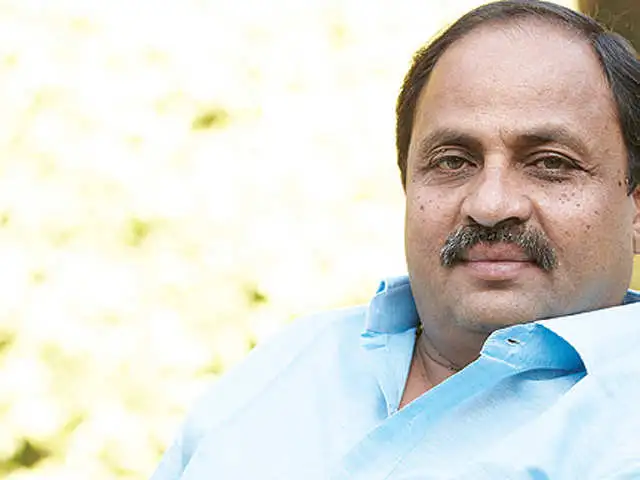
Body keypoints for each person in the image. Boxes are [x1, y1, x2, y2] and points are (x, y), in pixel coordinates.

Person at [151, 1, 640, 478]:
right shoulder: (290, 361)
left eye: (551, 163)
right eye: (452, 161)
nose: (490, 205)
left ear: (636, 210)